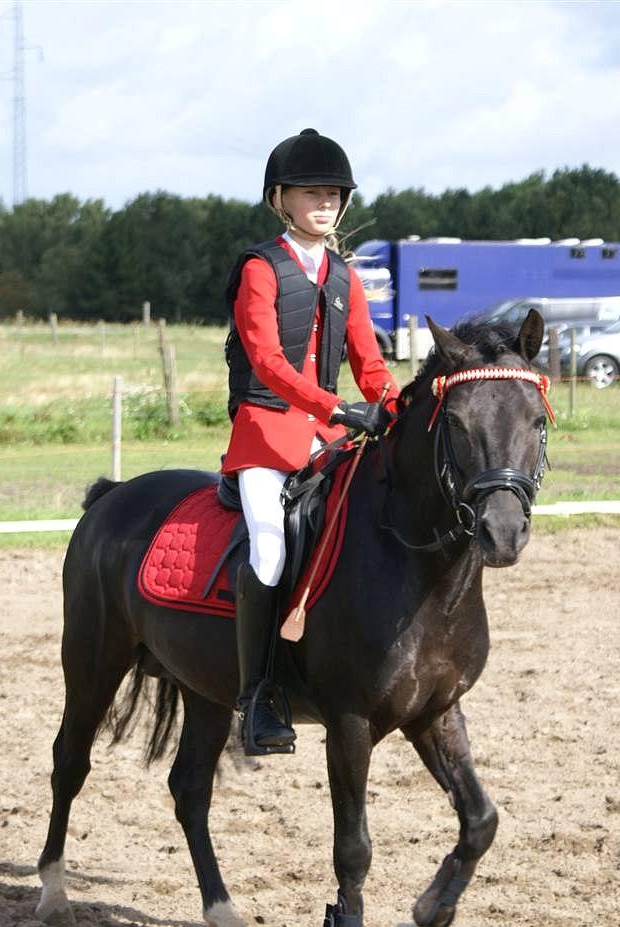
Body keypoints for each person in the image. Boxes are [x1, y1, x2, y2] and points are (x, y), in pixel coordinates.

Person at [223, 127, 400, 756]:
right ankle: (256, 697)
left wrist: (399, 406)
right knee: (269, 552)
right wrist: (335, 406)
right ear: (281, 199)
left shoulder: (346, 276)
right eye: (310, 192)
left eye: (333, 194)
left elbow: (369, 363)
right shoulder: (259, 268)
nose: (324, 203)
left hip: (326, 439)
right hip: (265, 435)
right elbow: (267, 359)